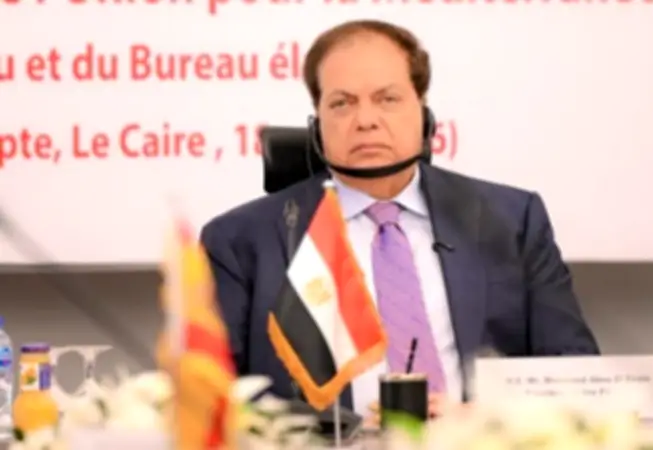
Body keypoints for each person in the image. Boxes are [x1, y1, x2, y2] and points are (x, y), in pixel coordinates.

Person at [201, 19, 599, 424]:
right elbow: (215, 393)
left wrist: (486, 418)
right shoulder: (240, 241)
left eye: (387, 99)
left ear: (424, 113)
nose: (365, 120)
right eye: (342, 103)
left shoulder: (511, 220)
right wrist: (349, 431)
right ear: (317, 122)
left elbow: (573, 370)